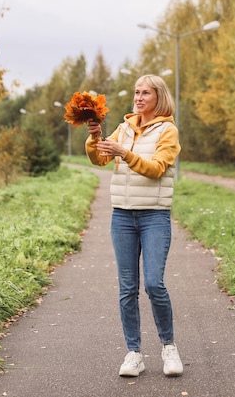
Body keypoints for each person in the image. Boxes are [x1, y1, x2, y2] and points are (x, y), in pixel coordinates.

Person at [85, 74, 183, 377]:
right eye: (136, 93)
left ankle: (169, 348)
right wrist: (94, 137)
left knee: (154, 284)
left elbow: (155, 170)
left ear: (159, 98)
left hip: (154, 216)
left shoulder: (168, 131)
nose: (139, 98)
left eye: (146, 93)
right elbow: (99, 159)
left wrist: (124, 153)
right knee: (128, 289)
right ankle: (134, 353)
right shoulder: (124, 128)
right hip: (122, 217)